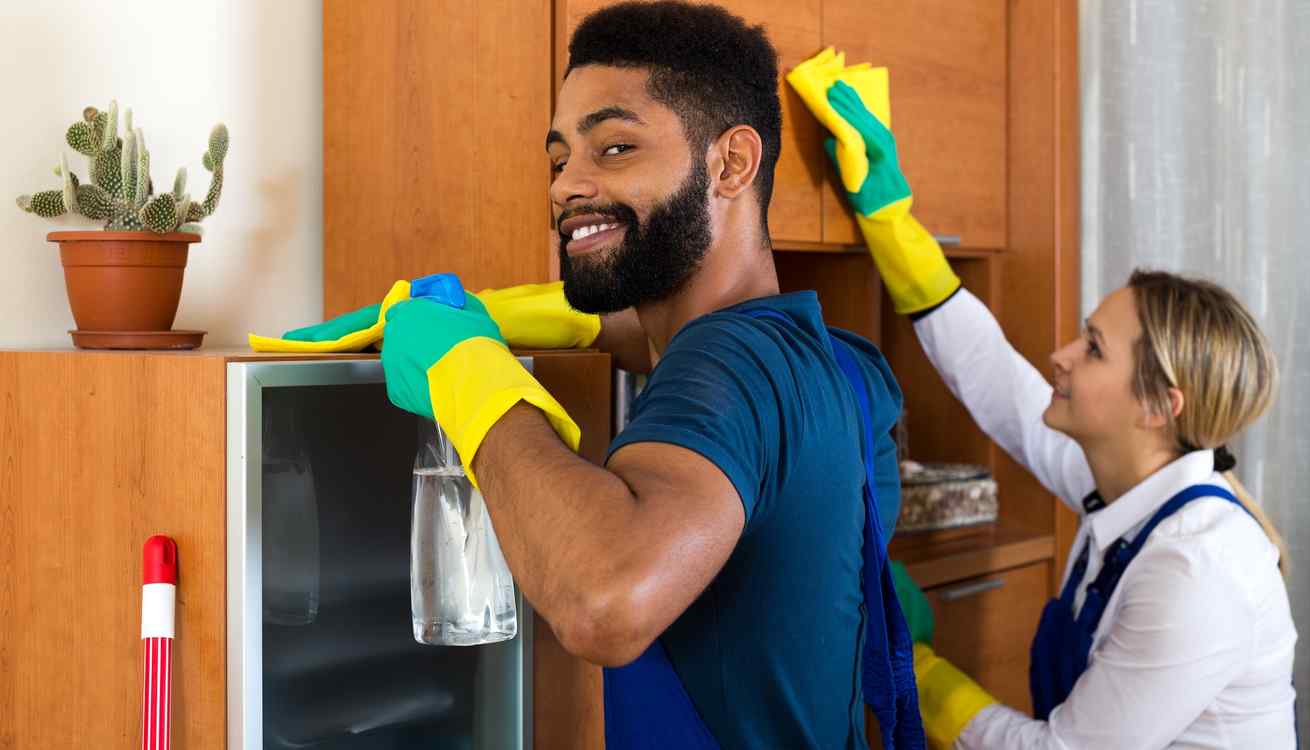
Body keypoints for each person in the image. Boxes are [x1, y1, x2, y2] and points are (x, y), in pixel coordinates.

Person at [278, 3, 927, 748]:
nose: (564, 187)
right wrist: (539, 316)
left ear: (731, 163)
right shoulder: (846, 367)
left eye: (614, 148)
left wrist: (468, 368)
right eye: (560, 160)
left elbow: (604, 600)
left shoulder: (725, 366)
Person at [789, 53, 1299, 748]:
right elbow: (995, 378)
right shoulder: (1124, 482)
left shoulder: (1198, 567)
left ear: (1159, 407)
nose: (1060, 355)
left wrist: (917, 665)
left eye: (1093, 347)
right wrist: (891, 222)